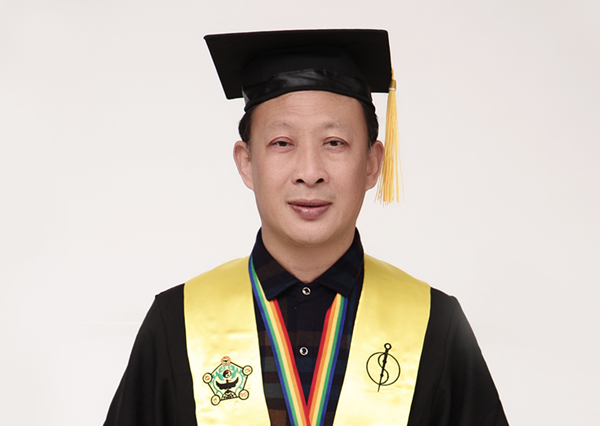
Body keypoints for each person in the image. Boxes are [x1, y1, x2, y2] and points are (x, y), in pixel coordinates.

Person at [104, 29, 508, 426]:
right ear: (246, 162)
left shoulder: (434, 324)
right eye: (282, 143)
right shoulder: (178, 323)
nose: (310, 172)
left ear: (372, 164)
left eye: (334, 143)